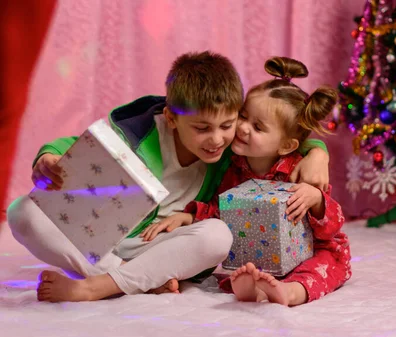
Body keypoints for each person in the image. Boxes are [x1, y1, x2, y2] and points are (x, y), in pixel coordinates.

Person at [7, 51, 330, 302]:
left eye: (227, 125)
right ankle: (126, 280)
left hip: (161, 247)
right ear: (172, 119)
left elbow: (281, 134)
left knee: (218, 235)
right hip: (102, 241)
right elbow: (73, 146)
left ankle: (96, 287)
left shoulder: (235, 144)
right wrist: (48, 157)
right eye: (202, 129)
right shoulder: (137, 130)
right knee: (22, 212)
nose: (217, 139)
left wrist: (318, 151)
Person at [159, 56, 351, 306]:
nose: (242, 128)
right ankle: (252, 288)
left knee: (324, 267)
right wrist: (193, 216)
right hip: (262, 253)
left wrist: (316, 199)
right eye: (243, 116)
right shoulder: (233, 166)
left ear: (286, 145)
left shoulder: (298, 170)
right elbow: (222, 211)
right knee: (239, 267)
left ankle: (291, 292)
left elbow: (332, 225)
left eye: (258, 127)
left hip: (310, 252)